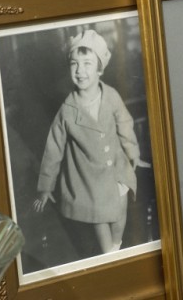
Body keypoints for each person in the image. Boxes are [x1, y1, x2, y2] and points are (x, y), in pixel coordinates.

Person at [33, 29, 151, 255]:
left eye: (87, 63)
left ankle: (116, 245)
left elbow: (125, 124)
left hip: (116, 168)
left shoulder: (111, 96)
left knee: (120, 211)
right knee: (100, 218)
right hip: (88, 180)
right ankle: (110, 256)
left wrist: (133, 154)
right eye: (74, 64)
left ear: (99, 68)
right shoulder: (67, 110)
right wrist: (45, 187)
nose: (80, 70)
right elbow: (53, 149)